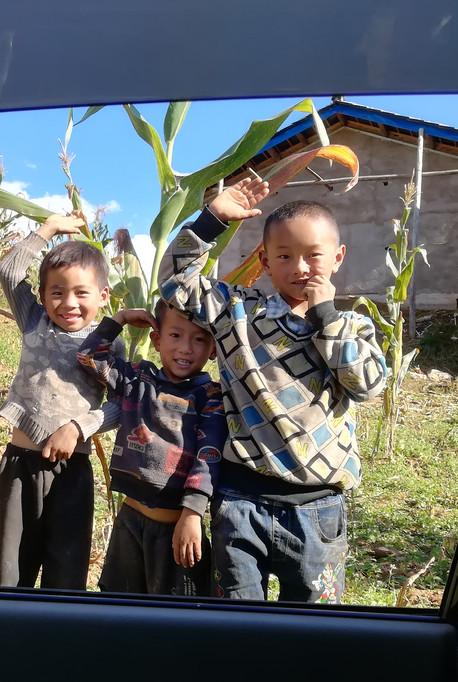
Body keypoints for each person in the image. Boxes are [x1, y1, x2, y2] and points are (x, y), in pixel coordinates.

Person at [159, 180, 387, 603]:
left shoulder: (351, 327)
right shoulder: (236, 314)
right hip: (240, 500)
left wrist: (326, 317)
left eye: (313, 256)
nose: (299, 267)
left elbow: (367, 385)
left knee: (314, 629)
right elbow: (174, 281)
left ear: (337, 258)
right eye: (284, 256)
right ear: (264, 260)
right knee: (239, 623)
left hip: (318, 507)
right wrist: (212, 219)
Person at [0, 211, 124, 590]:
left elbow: (120, 405)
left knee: (65, 580)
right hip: (19, 468)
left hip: (72, 474)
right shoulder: (34, 321)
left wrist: (78, 427)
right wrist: (46, 230)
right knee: (11, 576)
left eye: (81, 293)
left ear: (102, 296)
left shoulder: (107, 343)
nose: (68, 303)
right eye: (57, 292)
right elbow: (9, 272)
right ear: (42, 296)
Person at [77, 300, 224, 596]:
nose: (185, 348)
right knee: (119, 605)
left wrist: (193, 513)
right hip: (129, 522)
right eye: (175, 336)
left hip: (178, 530)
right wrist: (119, 319)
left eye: (199, 339)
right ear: (156, 340)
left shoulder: (210, 396)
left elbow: (209, 456)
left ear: (213, 349)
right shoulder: (137, 379)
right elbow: (88, 356)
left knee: (180, 616)